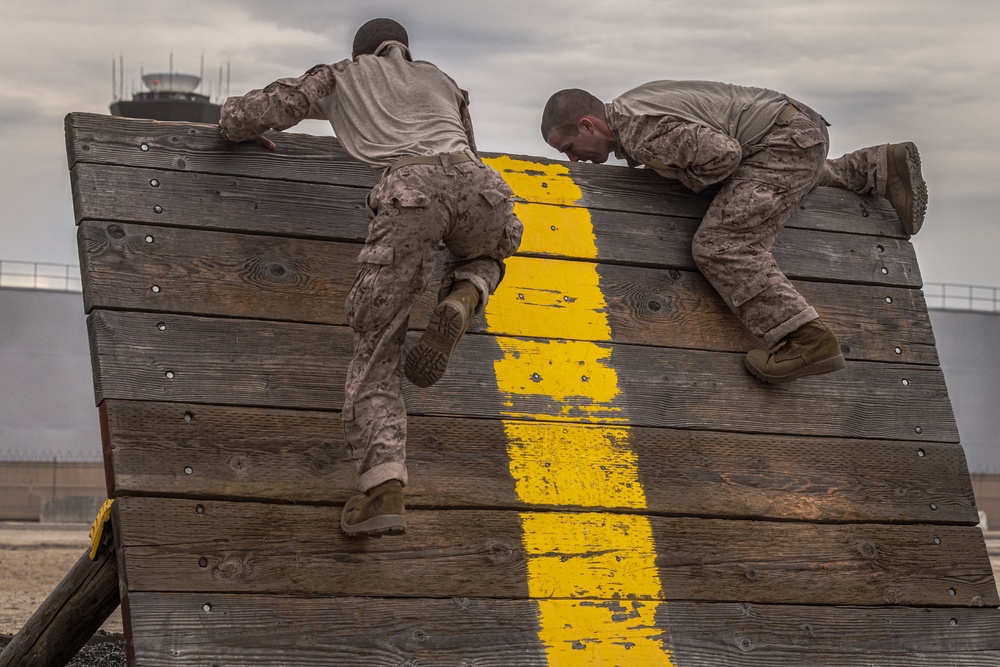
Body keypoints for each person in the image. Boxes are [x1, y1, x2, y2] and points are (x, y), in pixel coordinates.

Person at [219, 18, 523, 536]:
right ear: (406, 48)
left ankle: (383, 490)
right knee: (489, 253)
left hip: (412, 191)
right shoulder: (441, 79)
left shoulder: (342, 75)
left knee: (377, 347)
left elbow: (254, 110)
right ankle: (466, 294)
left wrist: (238, 129)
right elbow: (467, 151)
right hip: (485, 188)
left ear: (360, 52)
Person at [541, 81, 927, 384]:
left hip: (785, 140)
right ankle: (875, 167)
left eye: (570, 147)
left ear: (588, 124)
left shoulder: (641, 132)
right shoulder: (631, 109)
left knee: (722, 245)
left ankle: (807, 338)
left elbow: (723, 155)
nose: (574, 159)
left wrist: (689, 181)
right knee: (776, 182)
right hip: (789, 133)